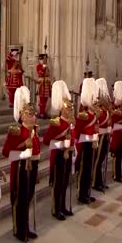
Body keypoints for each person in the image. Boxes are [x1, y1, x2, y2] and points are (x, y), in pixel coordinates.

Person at [3, 86, 40, 241]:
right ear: (22, 116)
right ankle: (19, 229)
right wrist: (23, 144)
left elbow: (37, 151)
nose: (34, 117)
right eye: (30, 115)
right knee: (20, 199)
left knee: (28, 197)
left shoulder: (34, 131)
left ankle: (26, 227)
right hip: (20, 169)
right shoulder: (16, 131)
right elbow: (6, 152)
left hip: (32, 167)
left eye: (34, 114)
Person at [43, 80, 75, 220]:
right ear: (62, 109)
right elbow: (46, 142)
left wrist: (71, 148)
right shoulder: (56, 123)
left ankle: (62, 206)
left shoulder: (71, 123)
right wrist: (63, 147)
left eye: (71, 109)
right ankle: (56, 209)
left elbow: (72, 139)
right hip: (58, 156)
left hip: (68, 155)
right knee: (58, 183)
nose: (70, 111)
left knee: (65, 181)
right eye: (67, 108)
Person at [75, 78, 99, 204]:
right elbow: (78, 132)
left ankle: (87, 192)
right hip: (85, 145)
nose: (95, 103)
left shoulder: (94, 115)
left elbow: (96, 129)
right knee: (84, 170)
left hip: (92, 144)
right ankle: (81, 193)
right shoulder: (83, 115)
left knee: (89, 170)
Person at [92, 78, 111, 192]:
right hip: (99, 135)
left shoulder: (105, 109)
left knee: (102, 159)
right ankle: (95, 182)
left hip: (105, 135)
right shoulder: (97, 109)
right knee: (98, 160)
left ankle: (99, 181)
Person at [110, 81, 122, 183]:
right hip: (117, 134)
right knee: (117, 156)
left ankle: (120, 173)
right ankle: (117, 175)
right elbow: (113, 120)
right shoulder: (116, 110)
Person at [36, 53, 51, 119]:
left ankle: (44, 112)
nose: (44, 61)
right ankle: (41, 112)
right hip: (42, 84)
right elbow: (41, 73)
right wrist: (43, 67)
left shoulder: (46, 66)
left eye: (45, 60)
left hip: (47, 84)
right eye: (42, 60)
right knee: (42, 99)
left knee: (46, 98)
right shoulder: (38, 66)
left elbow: (48, 74)